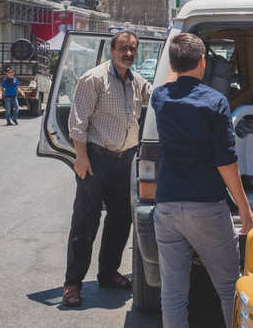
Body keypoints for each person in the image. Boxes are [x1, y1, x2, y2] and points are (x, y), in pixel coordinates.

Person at [151, 33, 253, 328]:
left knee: (173, 292)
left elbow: (172, 80)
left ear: (172, 63)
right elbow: (225, 161)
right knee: (228, 287)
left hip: (167, 206)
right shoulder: (215, 101)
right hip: (205, 206)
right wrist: (244, 207)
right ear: (203, 62)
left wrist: (179, 58)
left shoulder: (160, 97)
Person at [62, 31, 152, 307]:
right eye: (123, 48)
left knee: (121, 219)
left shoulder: (136, 81)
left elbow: (159, 96)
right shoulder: (94, 79)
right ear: (112, 50)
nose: (128, 53)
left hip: (126, 160)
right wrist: (81, 157)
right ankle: (72, 284)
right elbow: (77, 122)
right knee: (85, 221)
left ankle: (108, 273)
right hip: (96, 159)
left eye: (133, 49)